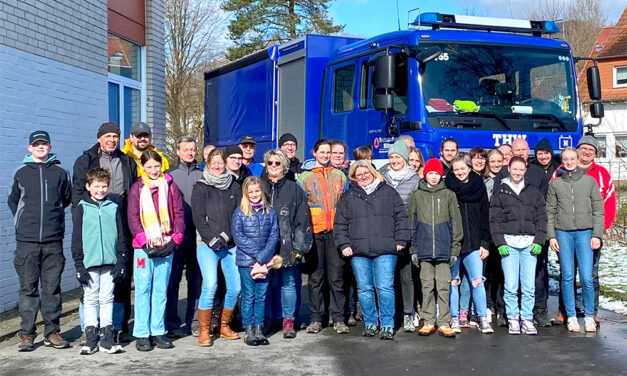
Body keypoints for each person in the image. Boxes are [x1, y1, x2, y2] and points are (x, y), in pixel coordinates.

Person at [72, 122, 137, 343]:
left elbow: (133, 191)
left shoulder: (127, 160)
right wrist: (82, 218)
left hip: (119, 220)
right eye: (107, 136)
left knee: (119, 279)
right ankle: (88, 328)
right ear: (99, 138)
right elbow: (77, 193)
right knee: (90, 285)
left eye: (115, 136)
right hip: (92, 219)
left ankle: (115, 327)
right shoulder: (86, 160)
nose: (111, 139)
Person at [8, 130, 72, 351]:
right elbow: (14, 202)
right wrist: (26, 223)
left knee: (52, 288)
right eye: (36, 144)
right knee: (28, 289)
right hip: (27, 242)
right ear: (30, 148)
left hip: (53, 241)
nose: (41, 147)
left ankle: (52, 332)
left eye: (44, 144)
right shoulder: (20, 172)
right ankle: (26, 335)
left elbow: (65, 199)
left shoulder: (60, 172)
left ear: (50, 146)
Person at [334, 161, 409, 340]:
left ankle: (387, 324)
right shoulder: (348, 197)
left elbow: (401, 217)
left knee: (384, 287)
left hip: (386, 249)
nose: (363, 177)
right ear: (353, 177)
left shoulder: (389, 192)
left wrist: (401, 240)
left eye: (365, 173)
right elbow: (340, 224)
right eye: (358, 175)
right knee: (365, 289)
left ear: (373, 172)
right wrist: (344, 244)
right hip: (359, 251)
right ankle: (370, 323)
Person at [127, 150, 185, 351]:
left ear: (162, 166)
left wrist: (175, 240)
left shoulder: (171, 187)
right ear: (142, 167)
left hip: (166, 243)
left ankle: (158, 330)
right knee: (143, 289)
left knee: (161, 289)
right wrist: (144, 242)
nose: (153, 170)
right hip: (144, 247)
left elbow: (178, 214)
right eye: (149, 166)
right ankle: (142, 333)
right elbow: (133, 217)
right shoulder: (137, 188)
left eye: (156, 166)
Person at [546, 147, 603, 333]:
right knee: (568, 276)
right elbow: (550, 212)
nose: (569, 162)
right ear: (562, 161)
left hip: (585, 233)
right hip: (563, 233)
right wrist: (552, 236)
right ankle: (570, 316)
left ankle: (588, 316)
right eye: (565, 159)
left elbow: (598, 210)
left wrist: (597, 235)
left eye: (572, 159)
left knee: (587, 277)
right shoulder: (556, 184)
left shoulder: (589, 182)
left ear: (578, 160)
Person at [71, 168, 126, 354]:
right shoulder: (82, 208)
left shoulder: (113, 206)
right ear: (88, 186)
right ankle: (90, 337)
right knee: (90, 298)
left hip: (110, 262)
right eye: (96, 186)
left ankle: (107, 338)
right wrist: (79, 264)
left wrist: (121, 261)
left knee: (107, 298)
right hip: (90, 263)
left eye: (104, 186)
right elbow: (76, 238)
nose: (100, 190)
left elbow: (121, 236)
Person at [489, 157, 547, 335]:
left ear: (525, 170)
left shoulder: (533, 192)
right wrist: (500, 242)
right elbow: (494, 219)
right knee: (511, 285)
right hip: (509, 245)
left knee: (528, 285)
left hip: (529, 245)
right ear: (509, 169)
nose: (517, 172)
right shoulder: (500, 192)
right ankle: (513, 317)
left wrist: (539, 240)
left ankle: (527, 318)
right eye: (514, 169)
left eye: (521, 169)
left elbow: (542, 218)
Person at [191, 148, 242, 347]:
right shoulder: (201, 186)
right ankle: (204, 331)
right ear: (208, 164)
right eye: (214, 163)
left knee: (235, 287)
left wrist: (227, 235)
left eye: (220, 162)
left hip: (230, 245)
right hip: (206, 244)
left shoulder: (234, 187)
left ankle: (223, 325)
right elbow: (197, 217)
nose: (217, 166)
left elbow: (239, 214)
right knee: (210, 285)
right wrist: (212, 238)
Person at [298, 139, 349, 334]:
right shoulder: (304, 177)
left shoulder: (339, 176)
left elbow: (344, 204)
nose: (326, 155)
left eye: (329, 152)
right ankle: (316, 319)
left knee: (336, 278)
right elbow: (301, 206)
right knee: (316, 278)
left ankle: (338, 318)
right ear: (314, 152)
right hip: (315, 233)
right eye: (323, 152)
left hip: (335, 233)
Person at [261, 150, 313, 338]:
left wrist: (298, 248)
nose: (273, 166)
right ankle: (265, 319)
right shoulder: (259, 187)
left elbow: (302, 221)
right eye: (270, 163)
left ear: (284, 166)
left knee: (288, 283)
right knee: (264, 283)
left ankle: (288, 320)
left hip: (287, 244)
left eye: (277, 163)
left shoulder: (294, 189)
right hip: (264, 246)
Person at [409, 159, 462, 338]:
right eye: (430, 173)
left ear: (441, 176)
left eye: (437, 174)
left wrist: (455, 249)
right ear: (425, 175)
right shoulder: (417, 195)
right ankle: (429, 320)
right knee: (426, 286)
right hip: (424, 250)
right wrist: (414, 249)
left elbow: (456, 224)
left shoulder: (448, 195)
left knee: (443, 287)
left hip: (443, 250)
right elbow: (412, 224)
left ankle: (444, 321)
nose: (433, 177)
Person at [445, 155, 493, 334]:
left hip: (474, 241)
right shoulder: (448, 186)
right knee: (454, 281)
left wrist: (485, 243)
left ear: (470, 168)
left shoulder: (478, 185)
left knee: (477, 281)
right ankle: (455, 317)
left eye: (462, 169)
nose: (459, 173)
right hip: (454, 241)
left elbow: (485, 215)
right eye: (456, 170)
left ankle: (482, 318)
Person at [232, 176, 280, 346]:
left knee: (261, 295)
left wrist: (264, 256)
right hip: (247, 262)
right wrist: (258, 256)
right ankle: (249, 329)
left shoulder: (270, 211)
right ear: (246, 193)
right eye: (250, 192)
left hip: (265, 262)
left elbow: (274, 235)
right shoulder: (239, 212)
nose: (254, 194)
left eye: (257, 191)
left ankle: (259, 328)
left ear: (262, 191)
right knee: (249, 295)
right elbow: (239, 237)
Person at [379, 140, 420, 332]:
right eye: (391, 157)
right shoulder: (382, 178)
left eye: (398, 157)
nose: (394, 160)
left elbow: (417, 209)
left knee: (406, 277)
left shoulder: (414, 180)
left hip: (407, 233)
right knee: (388, 277)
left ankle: (408, 313)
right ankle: (390, 314)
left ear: (404, 158)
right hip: (386, 234)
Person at [164, 136, 203, 338]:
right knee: (172, 281)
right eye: (185, 149)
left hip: (197, 237)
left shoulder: (203, 175)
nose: (189, 152)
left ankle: (194, 321)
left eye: (192, 149)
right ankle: (171, 323)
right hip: (175, 237)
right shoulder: (168, 176)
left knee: (196, 281)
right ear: (177, 152)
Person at [483, 149, 506, 327]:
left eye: (500, 161)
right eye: (493, 161)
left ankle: (501, 306)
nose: (497, 164)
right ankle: (488, 305)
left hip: (503, 231)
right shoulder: (483, 181)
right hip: (486, 232)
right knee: (487, 272)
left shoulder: (507, 180)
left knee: (501, 272)